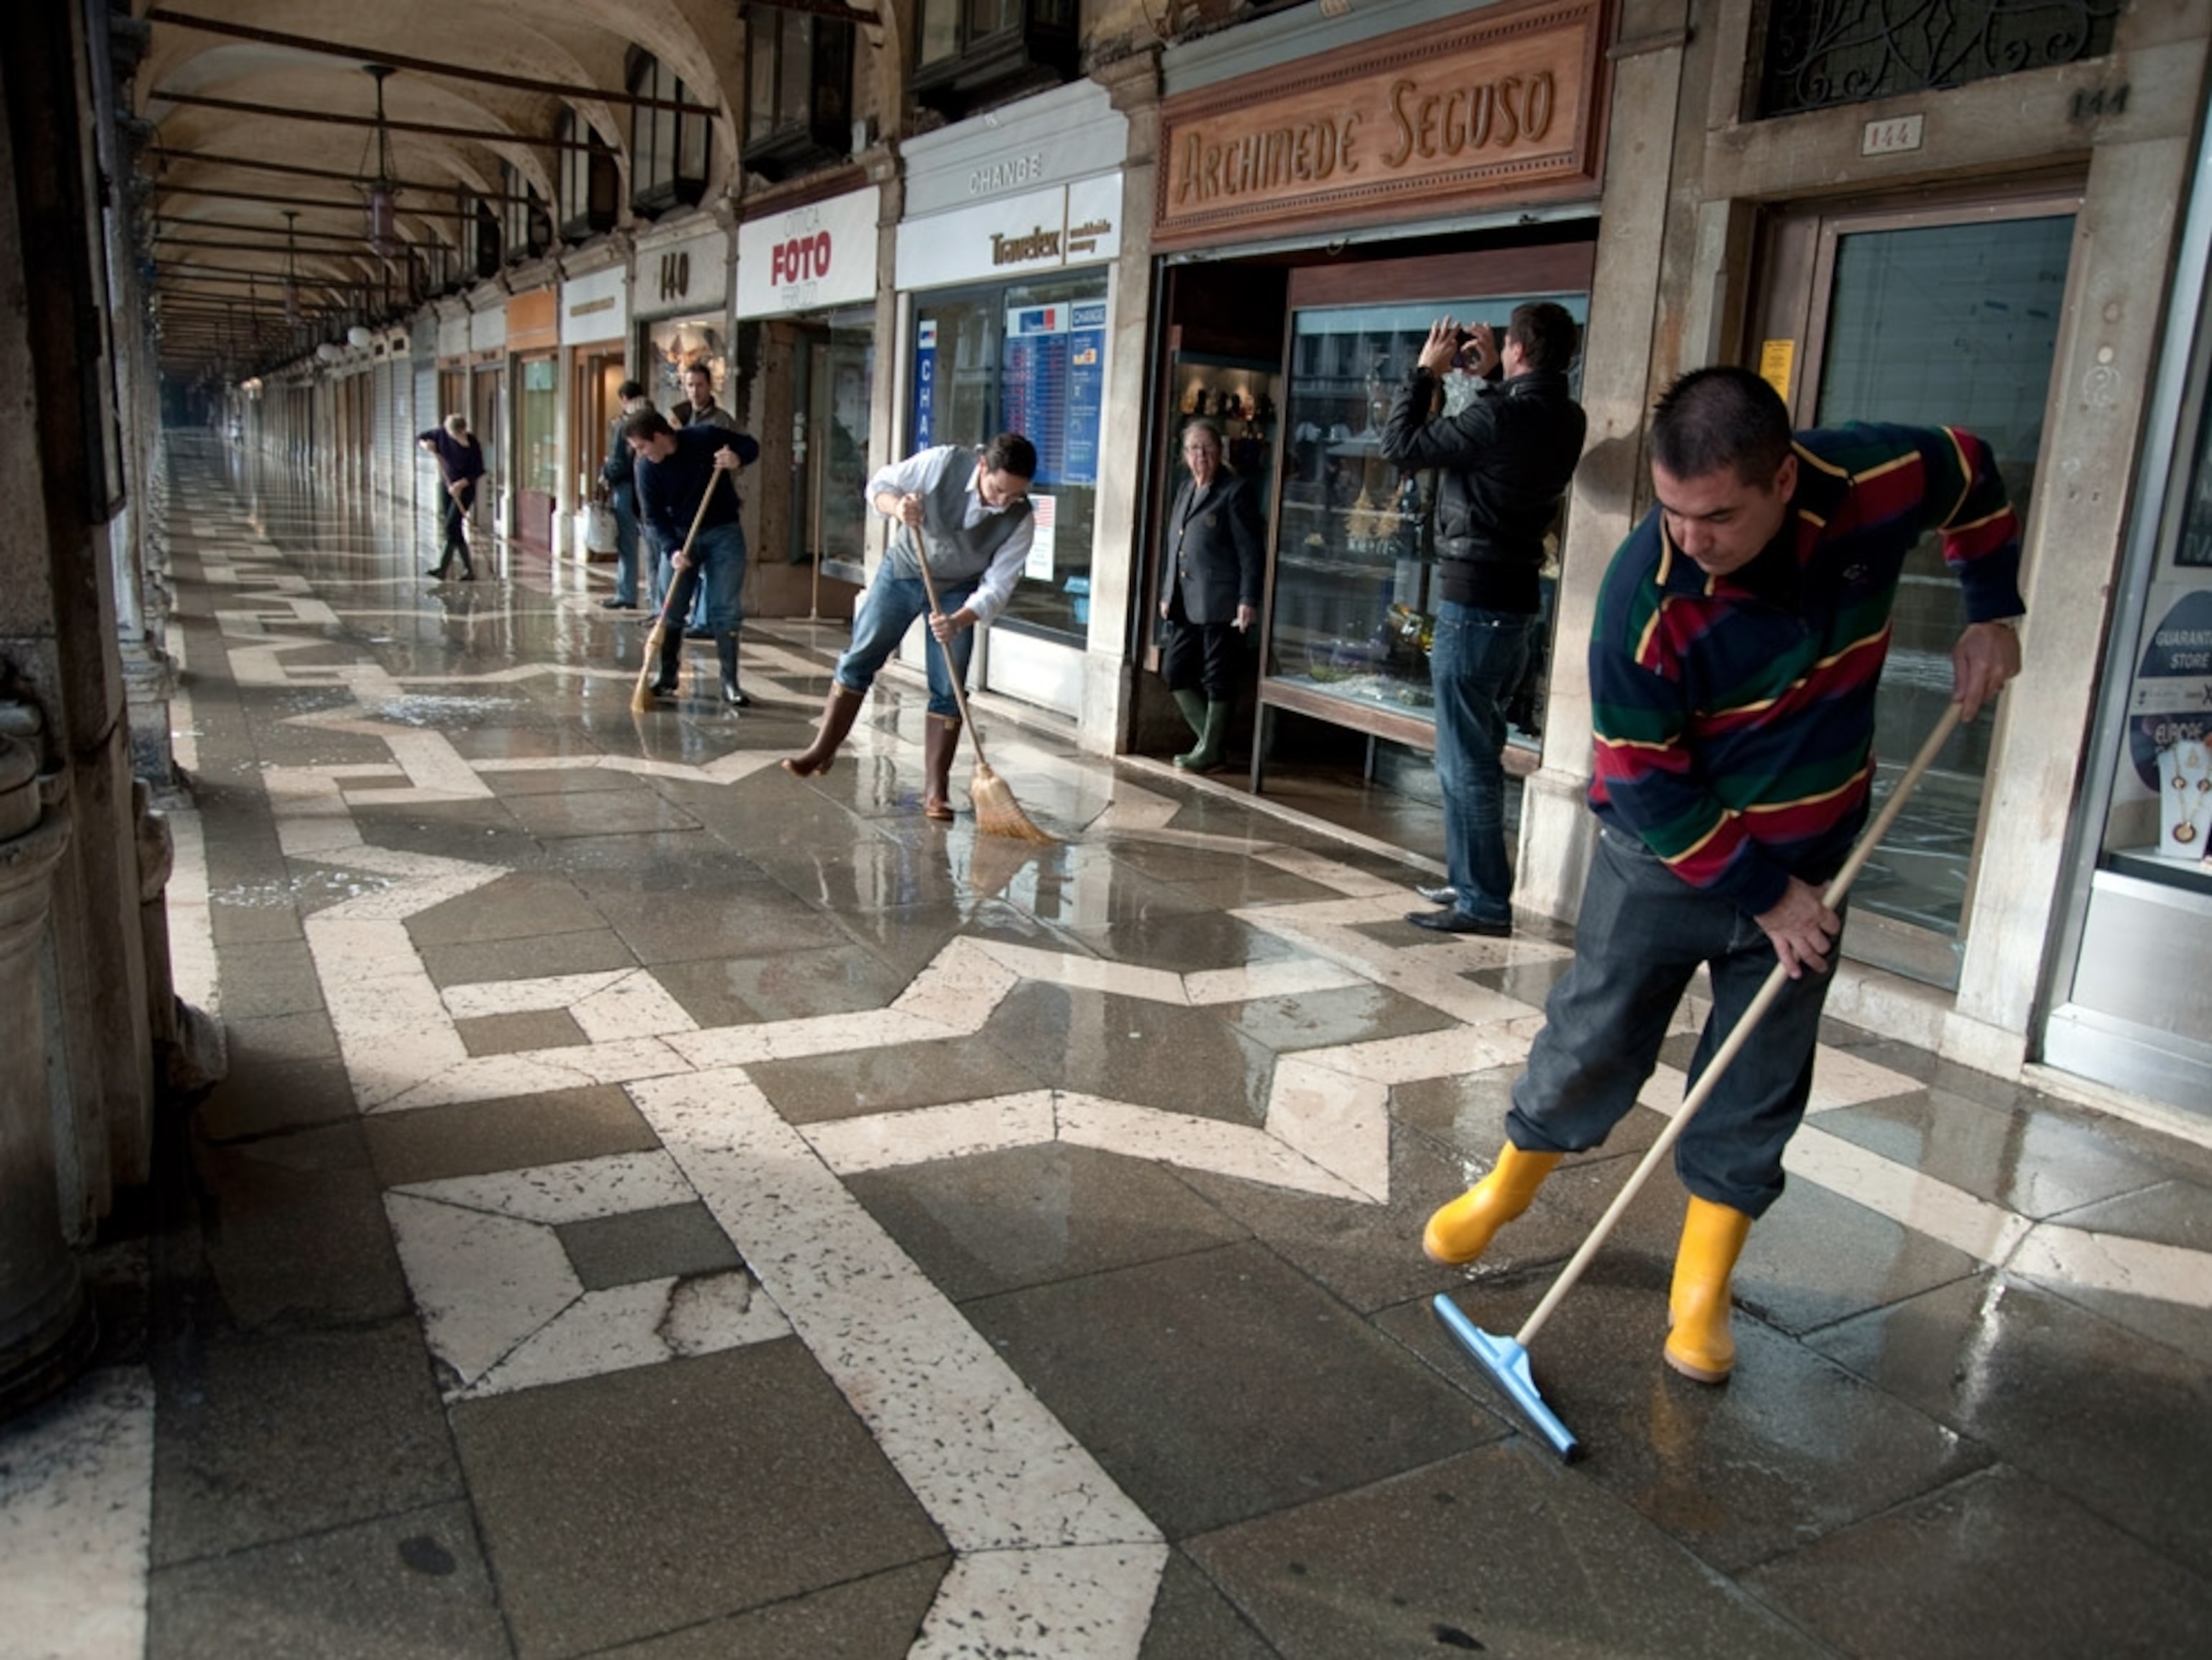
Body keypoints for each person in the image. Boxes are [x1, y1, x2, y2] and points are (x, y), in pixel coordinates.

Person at [1421, 366, 2026, 1386]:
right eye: (1670, 510)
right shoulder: (1641, 593)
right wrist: (1764, 895)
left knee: (1760, 1073)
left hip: (1816, 848)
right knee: (1596, 1033)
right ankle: (1510, 1184)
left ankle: (1699, 1292)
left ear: (1786, 478)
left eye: (1717, 516)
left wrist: (1990, 609)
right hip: (1663, 857)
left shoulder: (1876, 477)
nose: (1689, 536)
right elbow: (1646, 783)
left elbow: (1973, 471)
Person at [1380, 302, 1588, 937]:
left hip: (1473, 604)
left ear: (1518, 350)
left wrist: (1425, 374)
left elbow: (1401, 447)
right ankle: (1472, 882)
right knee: (1477, 749)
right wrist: (1494, 378)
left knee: (1465, 760)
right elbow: (1510, 432)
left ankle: (1484, 903)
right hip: (1517, 604)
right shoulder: (1566, 416)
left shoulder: (1499, 417)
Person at [781, 433, 1036, 821]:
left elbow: (998, 586)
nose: (1002, 502)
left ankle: (936, 790)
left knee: (948, 686)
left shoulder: (1021, 520)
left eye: (1013, 496)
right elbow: (880, 485)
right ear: (983, 466)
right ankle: (822, 749)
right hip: (904, 571)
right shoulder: (945, 463)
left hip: (958, 591)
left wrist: (959, 620)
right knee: (859, 659)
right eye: (998, 490)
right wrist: (899, 507)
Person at [624, 407, 761, 707]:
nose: (642, 454)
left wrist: (737, 459)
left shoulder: (705, 438)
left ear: (659, 436)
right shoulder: (646, 468)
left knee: (724, 608)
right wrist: (672, 550)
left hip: (722, 532)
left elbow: (751, 445)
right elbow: (654, 517)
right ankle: (667, 676)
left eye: (643, 446)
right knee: (670, 608)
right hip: (678, 537)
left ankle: (730, 683)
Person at [1157, 419, 1263, 772]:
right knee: (1175, 669)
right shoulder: (1186, 489)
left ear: (1220, 450)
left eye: (1208, 447)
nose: (1201, 455)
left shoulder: (1235, 491)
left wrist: (1248, 598)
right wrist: (1167, 591)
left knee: (1218, 675)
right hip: (1186, 600)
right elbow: (1175, 543)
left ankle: (1210, 750)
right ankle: (1212, 742)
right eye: (1194, 448)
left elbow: (1251, 551)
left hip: (1222, 600)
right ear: (1185, 455)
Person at [668, 364, 736, 635]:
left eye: (700, 385)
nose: (695, 391)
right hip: (684, 501)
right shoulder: (679, 417)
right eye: (690, 385)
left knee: (711, 567)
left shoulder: (721, 421)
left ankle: (705, 620)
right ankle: (685, 615)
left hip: (713, 498)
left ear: (710, 387)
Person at [598, 380, 652, 610]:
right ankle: (654, 597)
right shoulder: (653, 420)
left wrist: (606, 473)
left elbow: (619, 462)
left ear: (624, 399)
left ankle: (626, 593)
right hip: (650, 489)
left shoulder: (623, 425)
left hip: (627, 489)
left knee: (628, 544)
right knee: (654, 547)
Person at [417, 413, 487, 580]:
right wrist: (425, 445)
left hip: (465, 489)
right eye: (452, 434)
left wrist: (461, 484)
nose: (454, 437)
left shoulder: (473, 444)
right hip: (446, 486)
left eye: (458, 434)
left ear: (464, 430)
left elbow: (479, 470)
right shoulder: (441, 434)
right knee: (453, 528)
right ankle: (467, 571)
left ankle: (444, 568)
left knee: (451, 526)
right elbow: (420, 437)